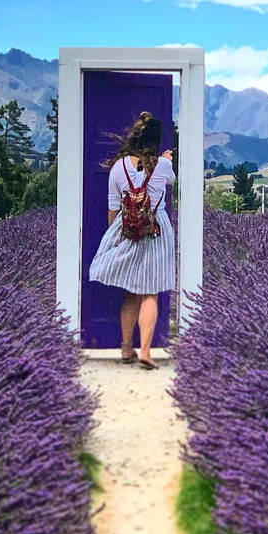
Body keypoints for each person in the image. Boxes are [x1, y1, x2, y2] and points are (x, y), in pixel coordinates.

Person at [89, 111, 175, 370]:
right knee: (150, 293)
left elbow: (113, 207)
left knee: (131, 292)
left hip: (127, 229)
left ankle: (127, 349)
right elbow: (170, 182)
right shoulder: (163, 165)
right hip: (156, 229)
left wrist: (115, 235)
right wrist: (165, 160)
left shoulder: (118, 167)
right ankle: (146, 353)